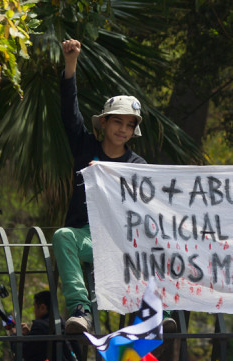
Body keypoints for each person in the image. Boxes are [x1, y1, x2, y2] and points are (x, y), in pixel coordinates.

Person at [52, 39, 148, 335]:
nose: (123, 129)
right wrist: (71, 64)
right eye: (117, 122)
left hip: (125, 241)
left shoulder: (139, 164)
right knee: (62, 236)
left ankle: (158, 310)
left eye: (130, 125)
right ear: (103, 123)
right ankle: (80, 310)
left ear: (134, 130)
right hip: (88, 237)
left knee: (160, 238)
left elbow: (150, 208)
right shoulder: (85, 148)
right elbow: (69, 113)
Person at [5, 291, 81, 361]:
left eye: (34, 306)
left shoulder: (40, 326)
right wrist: (29, 335)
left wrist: (14, 335)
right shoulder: (60, 323)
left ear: (43, 307)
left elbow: (21, 350)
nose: (34, 310)